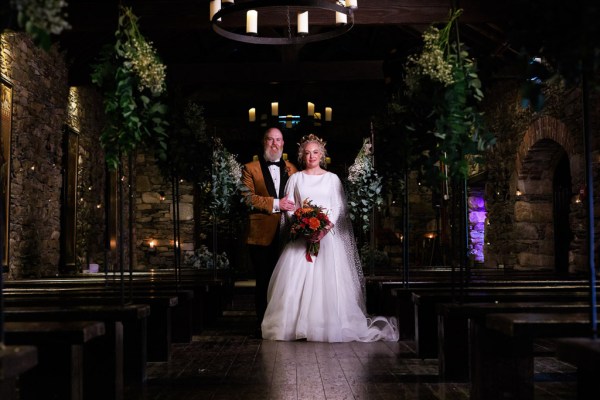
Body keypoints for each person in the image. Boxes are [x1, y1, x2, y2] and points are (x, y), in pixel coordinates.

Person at [261, 134, 399, 342]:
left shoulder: (332, 179)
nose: (311, 156)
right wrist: (302, 226)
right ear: (302, 156)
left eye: (315, 152)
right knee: (294, 285)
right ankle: (294, 326)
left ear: (322, 154)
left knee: (329, 285)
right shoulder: (295, 179)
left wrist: (323, 230)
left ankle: (325, 326)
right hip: (302, 239)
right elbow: (290, 207)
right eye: (307, 153)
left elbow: (338, 207)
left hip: (328, 239)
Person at [242, 127, 298, 335]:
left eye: (278, 140)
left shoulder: (292, 168)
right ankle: (263, 325)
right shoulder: (249, 168)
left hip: (288, 234)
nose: (274, 144)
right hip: (261, 235)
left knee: (287, 281)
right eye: (270, 140)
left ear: (283, 144)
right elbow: (247, 198)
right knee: (264, 280)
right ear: (263, 142)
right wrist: (277, 203)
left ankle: (284, 323)